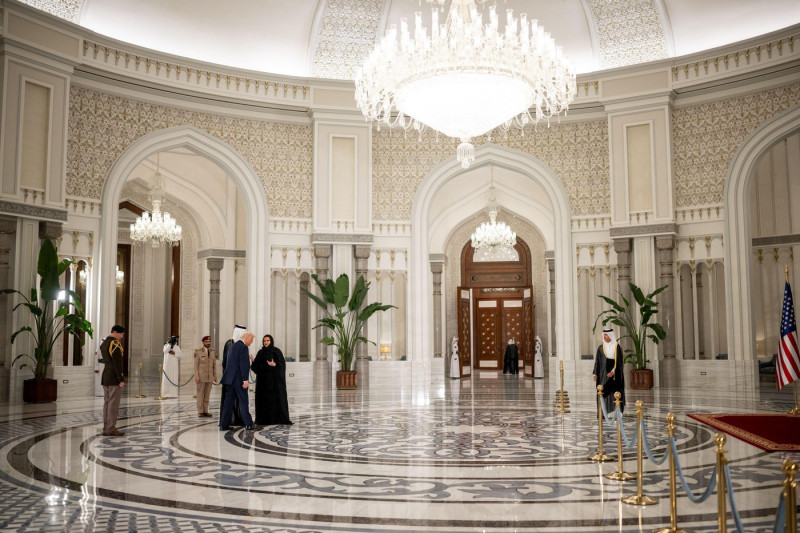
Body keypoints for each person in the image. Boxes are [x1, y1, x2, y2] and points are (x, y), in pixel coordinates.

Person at [251, 334, 292, 425]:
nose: (266, 342)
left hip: (274, 384)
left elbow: (282, 366)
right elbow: (256, 369)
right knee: (263, 401)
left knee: (274, 401)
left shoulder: (276, 352)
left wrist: (275, 365)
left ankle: (276, 419)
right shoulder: (260, 353)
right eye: (264, 341)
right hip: (262, 383)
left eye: (267, 341)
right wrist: (253, 362)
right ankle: (263, 420)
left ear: (271, 341)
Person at [219, 330, 256, 431]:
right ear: (247, 338)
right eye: (251, 340)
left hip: (229, 379)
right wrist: (245, 380)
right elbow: (244, 365)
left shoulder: (232, 346)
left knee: (228, 402)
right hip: (239, 380)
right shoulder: (243, 347)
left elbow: (225, 362)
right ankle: (248, 424)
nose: (251, 343)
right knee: (243, 401)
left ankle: (223, 425)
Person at [100, 325, 126, 436]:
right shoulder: (114, 344)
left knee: (106, 403)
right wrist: (120, 378)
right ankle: (111, 428)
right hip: (113, 377)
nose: (121, 337)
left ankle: (106, 427)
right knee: (113, 404)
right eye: (121, 334)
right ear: (115, 332)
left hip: (105, 376)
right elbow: (117, 363)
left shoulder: (104, 343)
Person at [593, 327, 625, 414]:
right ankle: (603, 413)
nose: (605, 336)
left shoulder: (617, 347)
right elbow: (597, 362)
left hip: (614, 376)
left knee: (614, 393)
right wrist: (595, 374)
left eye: (606, 335)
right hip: (602, 375)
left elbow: (619, 362)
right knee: (602, 393)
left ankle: (616, 412)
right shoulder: (600, 348)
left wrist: (613, 372)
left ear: (611, 335)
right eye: (604, 335)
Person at [220, 325, 247, 426]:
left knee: (233, 400)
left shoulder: (238, 344)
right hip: (234, 379)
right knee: (236, 400)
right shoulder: (230, 343)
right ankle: (234, 420)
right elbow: (226, 362)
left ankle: (235, 420)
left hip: (232, 378)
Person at [194, 335, 217, 417]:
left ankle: (205, 410)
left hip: (209, 376)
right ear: (203, 342)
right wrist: (196, 377)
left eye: (209, 341)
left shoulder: (212, 351)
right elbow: (195, 366)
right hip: (201, 377)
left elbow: (214, 365)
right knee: (200, 394)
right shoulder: (198, 351)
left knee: (207, 394)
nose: (208, 343)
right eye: (206, 341)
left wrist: (215, 375)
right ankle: (200, 411)